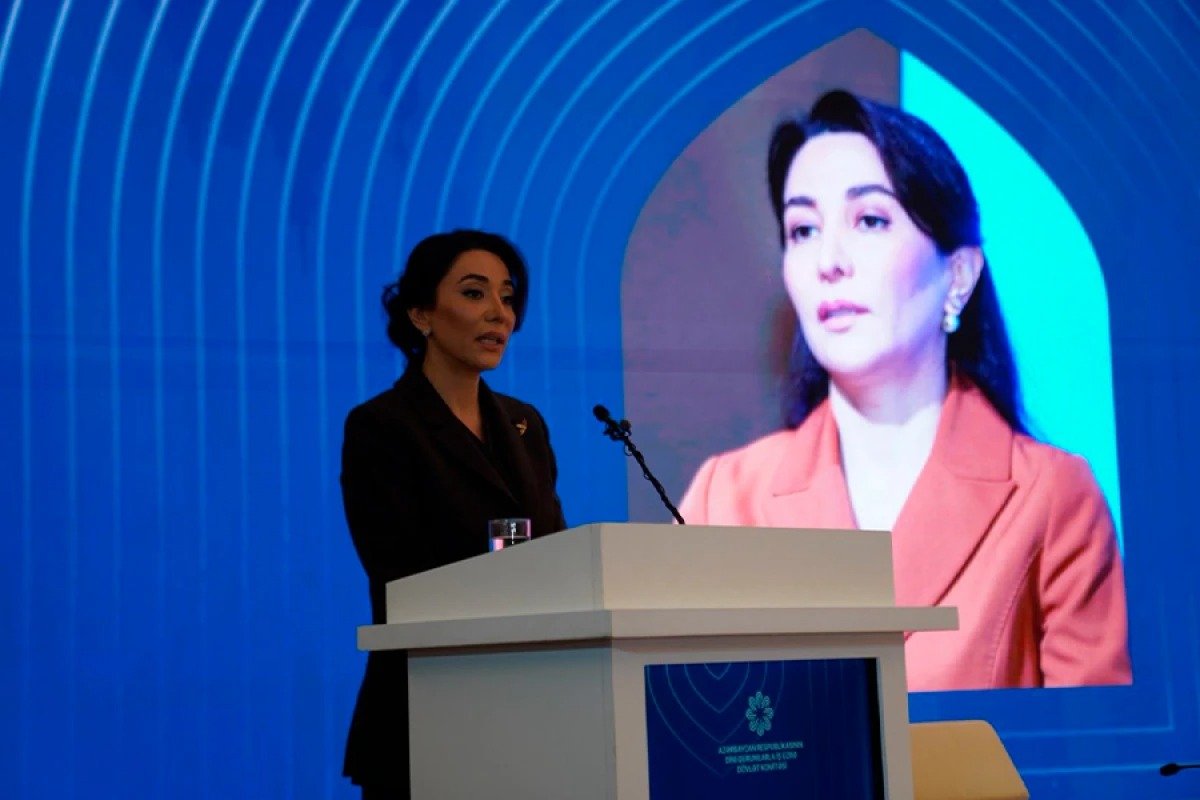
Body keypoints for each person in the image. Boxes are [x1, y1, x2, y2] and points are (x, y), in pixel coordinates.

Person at [678, 90, 1130, 691]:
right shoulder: (725, 499)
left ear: (959, 275)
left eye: (869, 220)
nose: (828, 260)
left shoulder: (1052, 497)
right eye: (803, 229)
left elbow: (1090, 742)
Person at [339, 229, 567, 798]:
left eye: (507, 297)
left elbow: (559, 553)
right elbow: (400, 576)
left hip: (535, 709)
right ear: (421, 314)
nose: (499, 313)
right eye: (473, 293)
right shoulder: (382, 428)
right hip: (429, 705)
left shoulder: (525, 425)